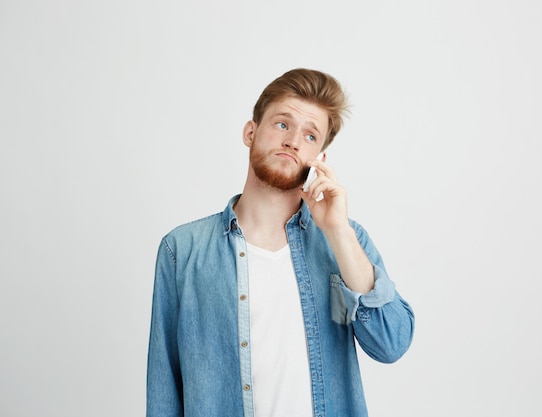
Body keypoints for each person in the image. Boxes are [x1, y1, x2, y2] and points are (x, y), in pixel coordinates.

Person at [147, 68, 414, 417]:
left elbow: (391, 343)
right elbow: (164, 389)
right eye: (283, 124)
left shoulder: (346, 241)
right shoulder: (182, 250)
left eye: (310, 136)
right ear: (250, 131)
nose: (293, 141)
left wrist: (338, 232)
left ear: (319, 157)